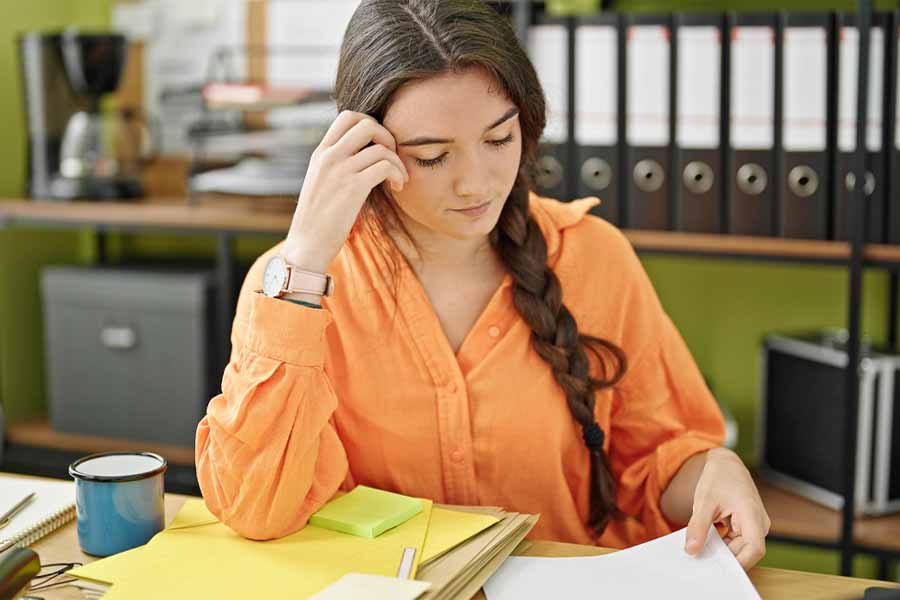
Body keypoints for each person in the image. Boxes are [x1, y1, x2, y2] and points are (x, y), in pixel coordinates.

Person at [195, 0, 770, 570]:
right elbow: (257, 506)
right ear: (362, 148)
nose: (476, 183)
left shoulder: (594, 257)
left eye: (498, 140)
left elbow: (657, 461)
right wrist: (304, 258)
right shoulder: (294, 285)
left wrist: (710, 472)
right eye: (433, 155)